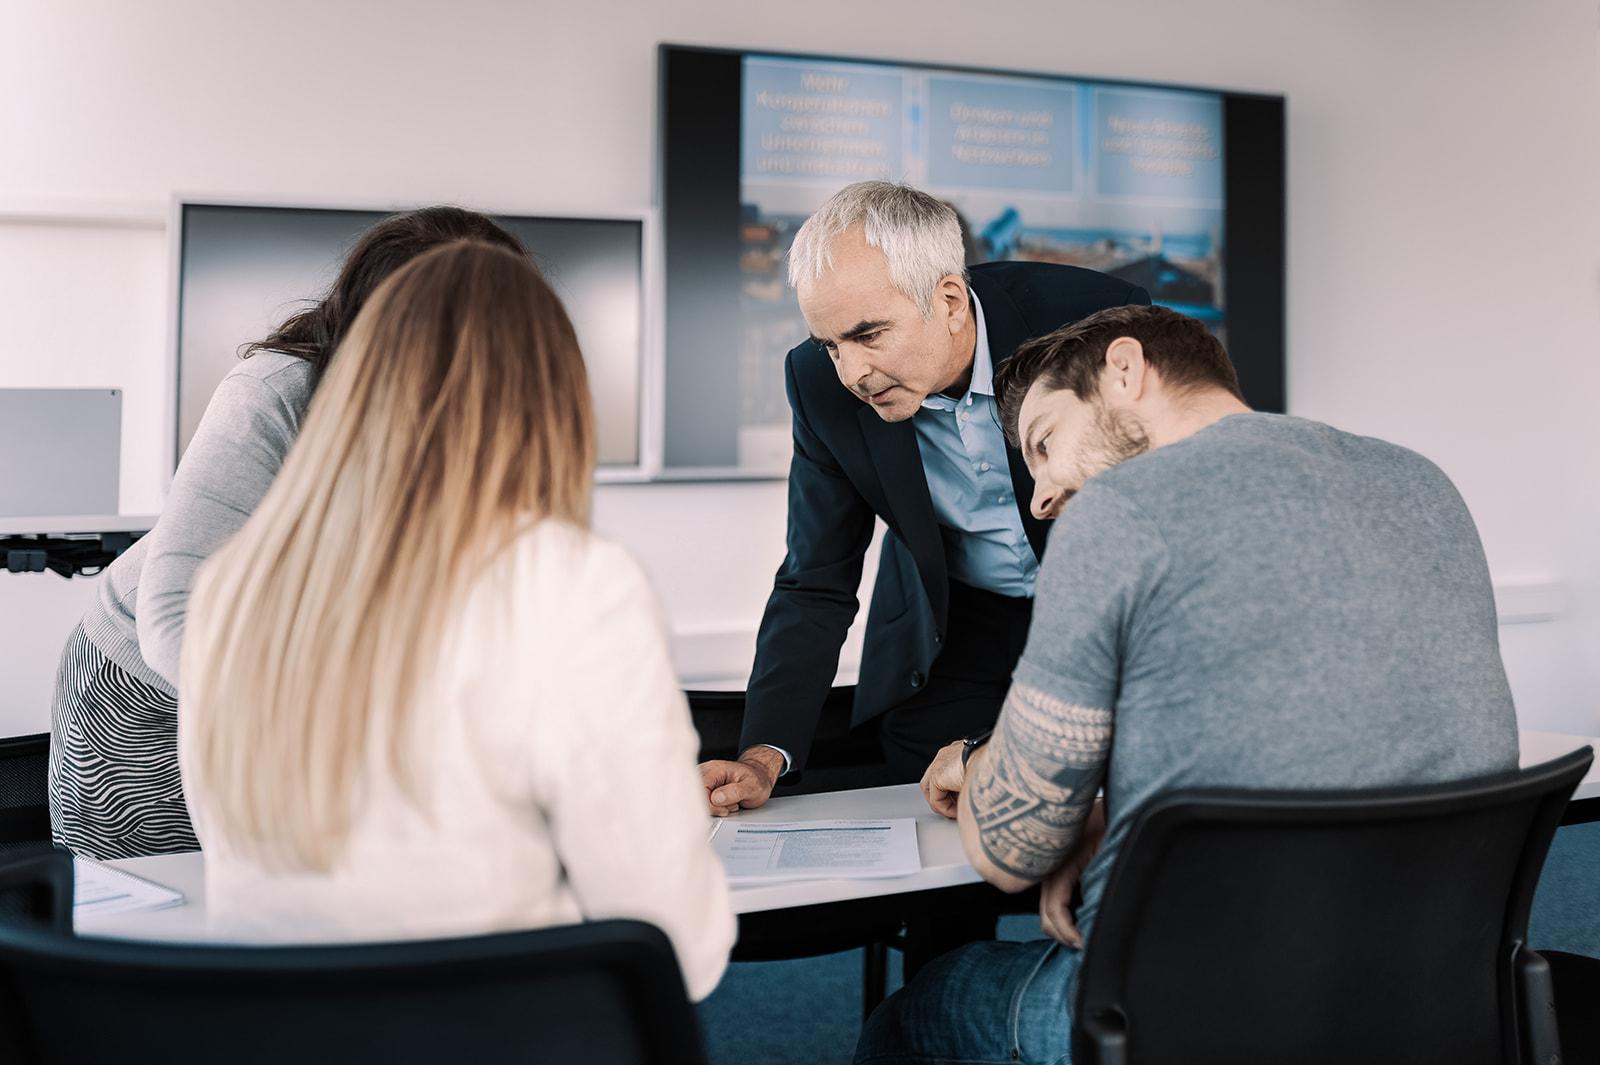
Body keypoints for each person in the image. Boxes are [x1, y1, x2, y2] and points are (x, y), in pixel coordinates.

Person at [854, 303, 1520, 1063]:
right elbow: (1323, 746)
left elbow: (1011, 850)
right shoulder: (1419, 481)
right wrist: (1109, 818)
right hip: (1433, 987)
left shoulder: (1119, 513)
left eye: (1044, 443)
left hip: (1195, 1010)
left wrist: (977, 765)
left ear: (1126, 369)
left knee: (917, 1010)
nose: (1038, 498)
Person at [178, 240, 734, 999]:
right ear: (552, 398)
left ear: (356, 388)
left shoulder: (232, 587)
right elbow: (677, 948)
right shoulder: (569, 580)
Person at [49, 207, 527, 861]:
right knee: (161, 924)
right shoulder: (278, 392)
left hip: (307, 684)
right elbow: (175, 618)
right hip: (150, 689)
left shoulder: (482, 418)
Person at [699, 181, 1149, 815]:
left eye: (868, 334)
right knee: (933, 819)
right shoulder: (818, 384)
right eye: (831, 345)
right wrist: (761, 756)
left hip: (1096, 611)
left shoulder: (1095, 325)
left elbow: (1161, 519)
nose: (851, 373)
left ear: (949, 300)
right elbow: (815, 579)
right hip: (952, 629)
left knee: (1097, 828)